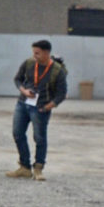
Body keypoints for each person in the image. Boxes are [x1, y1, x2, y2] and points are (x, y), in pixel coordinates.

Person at [9, 39, 67, 181]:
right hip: (23, 104)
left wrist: (48, 107)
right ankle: (24, 167)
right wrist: (23, 90)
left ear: (47, 53)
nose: (34, 56)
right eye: (33, 52)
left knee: (40, 138)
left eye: (37, 53)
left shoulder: (57, 71)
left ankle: (38, 169)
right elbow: (17, 79)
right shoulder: (28, 63)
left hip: (41, 108)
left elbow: (62, 94)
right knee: (17, 134)